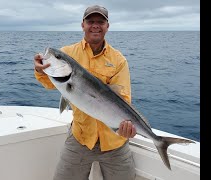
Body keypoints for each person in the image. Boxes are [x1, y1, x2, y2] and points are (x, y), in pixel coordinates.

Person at [34, 5, 136, 180]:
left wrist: (127, 126)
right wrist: (41, 70)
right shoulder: (68, 53)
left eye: (100, 22)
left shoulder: (118, 60)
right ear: (83, 25)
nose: (95, 25)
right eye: (90, 21)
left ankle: (158, 142)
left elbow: (123, 99)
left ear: (107, 26)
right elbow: (51, 84)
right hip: (80, 138)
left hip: (115, 142)